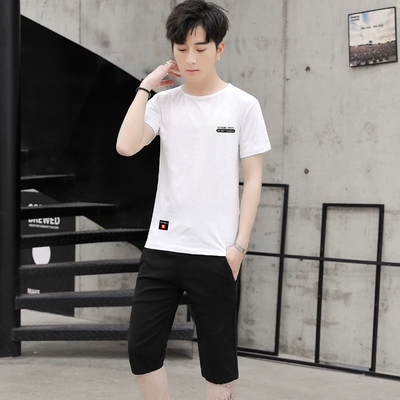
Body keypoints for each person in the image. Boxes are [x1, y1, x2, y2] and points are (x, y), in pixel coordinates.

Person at [116, 1, 271, 399]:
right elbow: (126, 146)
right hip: (162, 249)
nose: (190, 59)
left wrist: (239, 246)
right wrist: (146, 87)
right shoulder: (163, 104)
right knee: (142, 350)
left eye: (200, 48)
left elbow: (253, 180)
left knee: (218, 363)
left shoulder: (242, 105)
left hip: (216, 252)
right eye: (181, 48)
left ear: (219, 49)